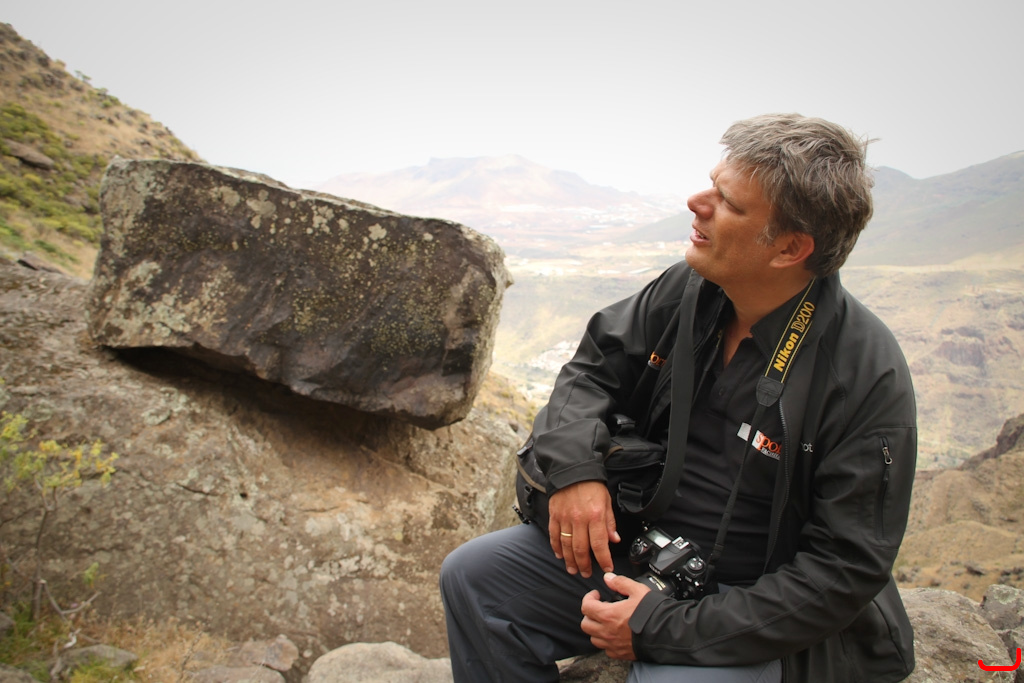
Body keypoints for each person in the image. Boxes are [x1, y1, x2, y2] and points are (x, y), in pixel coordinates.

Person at [439, 113, 917, 683]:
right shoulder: (691, 290)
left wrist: (659, 629)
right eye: (712, 184)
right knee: (475, 577)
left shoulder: (861, 375)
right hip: (644, 554)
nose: (696, 202)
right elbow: (590, 371)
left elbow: (842, 571)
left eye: (728, 202)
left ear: (790, 248)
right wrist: (575, 471)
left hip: (754, 610)